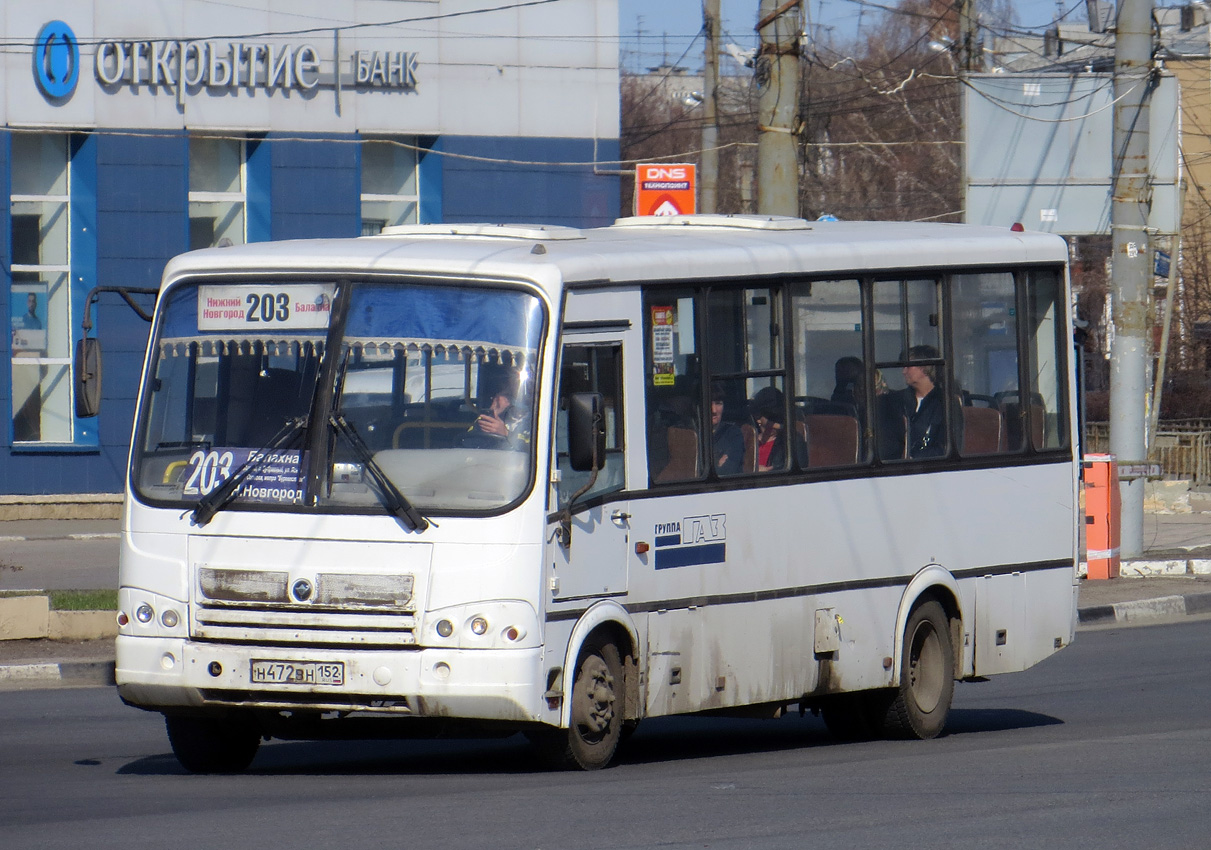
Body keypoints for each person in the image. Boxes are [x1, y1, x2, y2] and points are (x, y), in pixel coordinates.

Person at [899, 345, 959, 459]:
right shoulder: (898, 400)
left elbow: (946, 447)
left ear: (925, 367)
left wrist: (914, 458)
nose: (903, 371)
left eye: (908, 366)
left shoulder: (945, 402)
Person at [463, 379, 529, 450]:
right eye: (505, 396)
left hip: (515, 458)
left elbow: (531, 448)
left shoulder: (534, 419)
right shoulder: (493, 417)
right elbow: (468, 440)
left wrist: (506, 433)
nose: (509, 400)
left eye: (510, 396)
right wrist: (492, 413)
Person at [710, 385, 744, 475]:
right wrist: (717, 464)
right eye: (708, 403)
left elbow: (729, 470)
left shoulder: (733, 434)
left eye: (718, 403)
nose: (714, 410)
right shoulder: (691, 435)